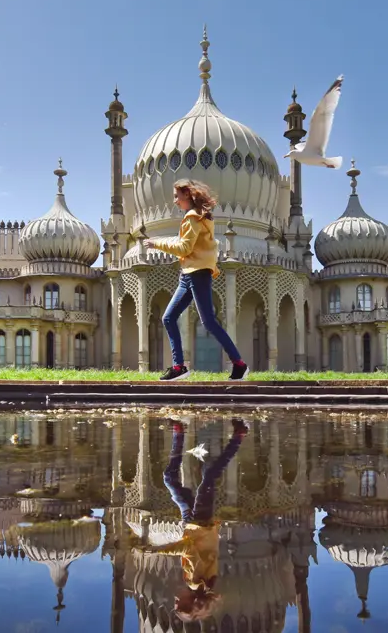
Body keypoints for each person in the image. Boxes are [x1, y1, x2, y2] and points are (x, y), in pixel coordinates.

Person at [145, 418, 248, 622]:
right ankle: (237, 437)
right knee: (208, 477)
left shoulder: (208, 583)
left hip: (195, 523)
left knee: (172, 479)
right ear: (190, 601)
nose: (175, 599)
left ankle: (179, 432)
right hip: (198, 522)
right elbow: (189, 548)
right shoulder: (194, 582)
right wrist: (159, 551)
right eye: (178, 603)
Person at [146, 179, 248, 381]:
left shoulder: (193, 218)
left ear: (187, 195)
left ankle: (239, 364)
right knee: (168, 318)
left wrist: (156, 244)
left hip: (197, 273)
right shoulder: (199, 217)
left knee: (208, 322)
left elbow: (184, 248)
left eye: (177, 196)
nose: (175, 201)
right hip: (188, 274)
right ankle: (179, 367)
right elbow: (184, 242)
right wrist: (159, 241)